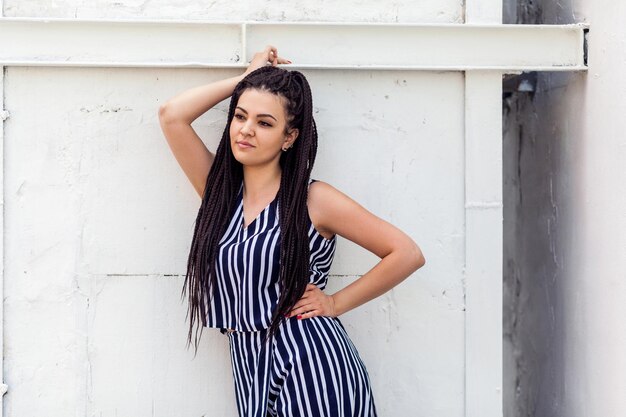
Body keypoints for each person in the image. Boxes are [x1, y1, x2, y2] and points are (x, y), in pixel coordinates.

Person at [158, 45, 426, 417]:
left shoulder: (314, 200)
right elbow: (171, 116)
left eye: (265, 123)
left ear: (289, 137)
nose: (246, 130)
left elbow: (406, 253)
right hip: (251, 370)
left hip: (312, 366)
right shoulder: (221, 197)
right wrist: (244, 80)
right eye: (240, 116)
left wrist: (334, 303)